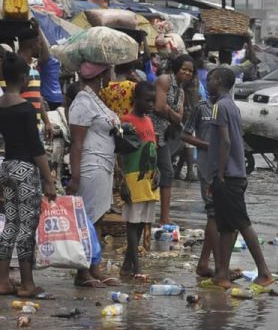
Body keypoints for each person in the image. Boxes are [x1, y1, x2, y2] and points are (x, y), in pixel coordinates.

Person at [206, 67, 272, 289]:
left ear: (218, 81)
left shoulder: (219, 107)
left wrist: (220, 173)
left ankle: (264, 271)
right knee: (227, 226)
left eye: (209, 79)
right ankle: (222, 273)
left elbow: (224, 141)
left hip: (229, 175)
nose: (207, 83)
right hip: (235, 174)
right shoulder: (231, 106)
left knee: (242, 223)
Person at [0, 53, 57, 298]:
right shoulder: (25, 108)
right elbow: (36, 148)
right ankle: (26, 284)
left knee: (10, 224)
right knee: (26, 226)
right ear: (24, 79)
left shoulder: (0, 106)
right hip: (25, 171)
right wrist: (49, 179)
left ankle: (2, 281)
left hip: (7, 166)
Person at [66, 61, 121, 287]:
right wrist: (75, 176)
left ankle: (94, 266)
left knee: (97, 219)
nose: (111, 75)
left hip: (104, 165)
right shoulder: (83, 102)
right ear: (101, 75)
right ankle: (82, 271)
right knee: (87, 219)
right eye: (109, 71)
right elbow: (76, 144)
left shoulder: (96, 101)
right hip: (91, 165)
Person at [119, 81, 159, 277]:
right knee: (132, 224)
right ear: (136, 99)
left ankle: (127, 265)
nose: (151, 105)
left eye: (153, 101)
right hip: (133, 178)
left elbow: (152, 148)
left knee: (143, 222)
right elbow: (118, 153)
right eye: (147, 101)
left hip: (149, 179)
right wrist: (122, 181)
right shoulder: (126, 121)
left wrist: (157, 171)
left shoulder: (149, 121)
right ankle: (137, 266)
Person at [181, 90, 219, 278]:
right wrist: (205, 145)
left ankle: (207, 262)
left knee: (218, 216)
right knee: (213, 214)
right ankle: (215, 265)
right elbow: (185, 134)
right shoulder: (201, 108)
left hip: (224, 168)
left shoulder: (229, 108)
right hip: (206, 167)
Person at [150, 54, 190, 225]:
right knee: (147, 174)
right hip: (150, 134)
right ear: (176, 68)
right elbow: (158, 107)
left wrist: (168, 110)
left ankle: (164, 218)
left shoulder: (181, 92)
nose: (187, 73)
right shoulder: (164, 80)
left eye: (190, 71)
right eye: (184, 69)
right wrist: (170, 112)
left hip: (164, 137)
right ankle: (145, 216)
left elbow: (179, 117)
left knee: (167, 172)